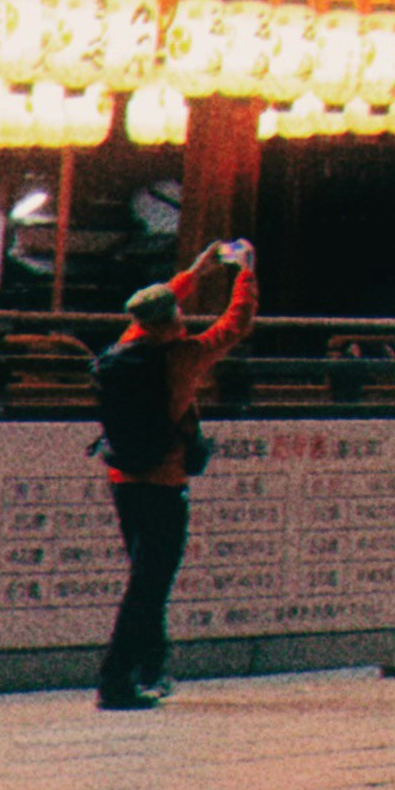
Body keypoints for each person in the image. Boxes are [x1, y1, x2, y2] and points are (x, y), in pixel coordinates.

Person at [89, 234, 255, 711]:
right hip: (164, 483)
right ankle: (116, 680)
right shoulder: (179, 359)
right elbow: (235, 324)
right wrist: (244, 274)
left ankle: (150, 667)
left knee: (146, 578)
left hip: (123, 479)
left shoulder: (126, 348)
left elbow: (159, 307)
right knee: (149, 585)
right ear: (174, 322)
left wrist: (195, 273)